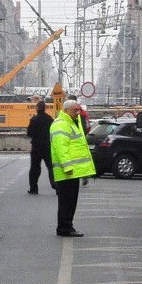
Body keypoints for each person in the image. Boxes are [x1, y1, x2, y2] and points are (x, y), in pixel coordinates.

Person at [50, 98, 96, 237]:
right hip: (66, 172)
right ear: (66, 110)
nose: (78, 112)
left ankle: (66, 226)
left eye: (78, 110)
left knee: (70, 201)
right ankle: (64, 228)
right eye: (75, 110)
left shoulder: (71, 122)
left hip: (71, 171)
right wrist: (67, 166)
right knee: (67, 202)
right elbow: (60, 148)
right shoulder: (61, 124)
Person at [26, 100, 54, 193]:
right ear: (45, 108)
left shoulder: (34, 119)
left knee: (34, 168)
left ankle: (34, 189)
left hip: (36, 147)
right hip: (47, 146)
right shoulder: (50, 119)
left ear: (37, 108)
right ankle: (56, 187)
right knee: (51, 167)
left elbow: (29, 133)